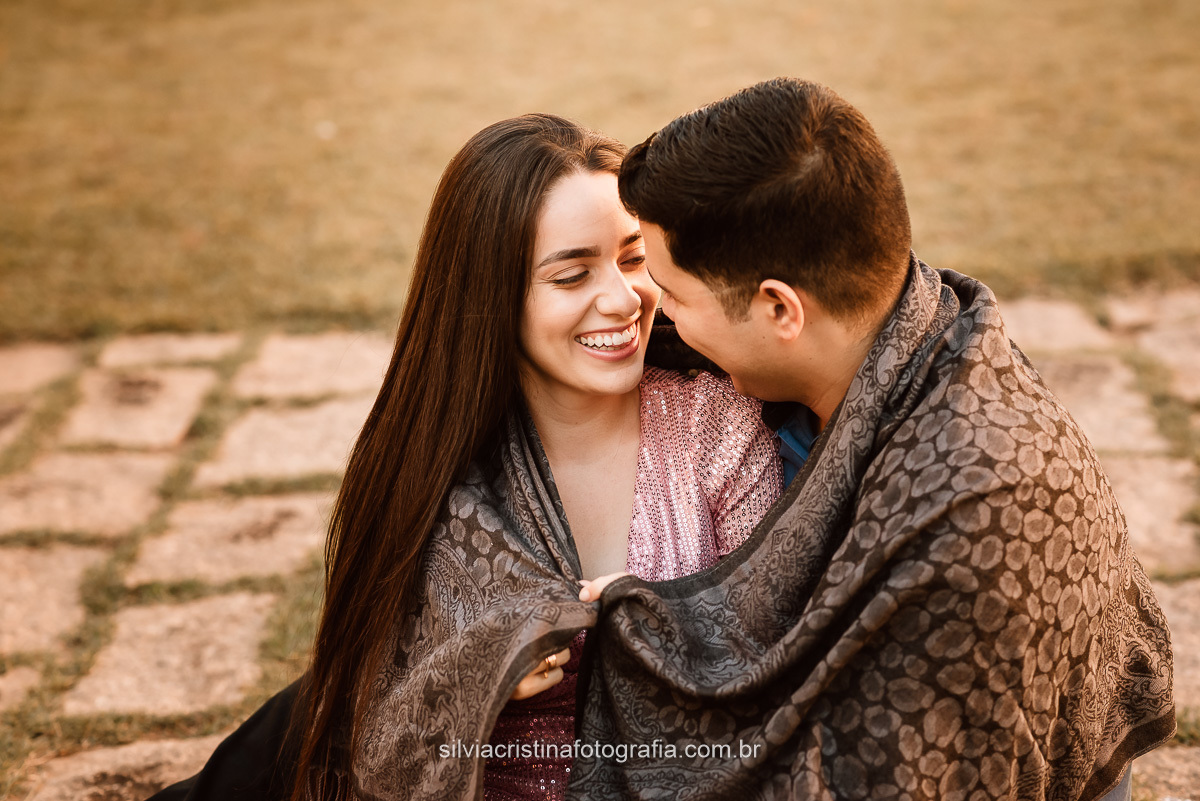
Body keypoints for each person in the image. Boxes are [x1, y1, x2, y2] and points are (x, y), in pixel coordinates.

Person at [568, 78, 1173, 801]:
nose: (652, 313)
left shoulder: (974, 507)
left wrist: (642, 628)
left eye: (676, 294)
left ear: (779, 308)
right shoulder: (901, 324)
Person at [149, 114, 784, 801]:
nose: (622, 298)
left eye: (633, 258)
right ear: (493, 292)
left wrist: (657, 623)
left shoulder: (716, 426)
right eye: (572, 274)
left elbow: (774, 647)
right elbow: (378, 707)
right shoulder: (443, 469)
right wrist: (483, 675)